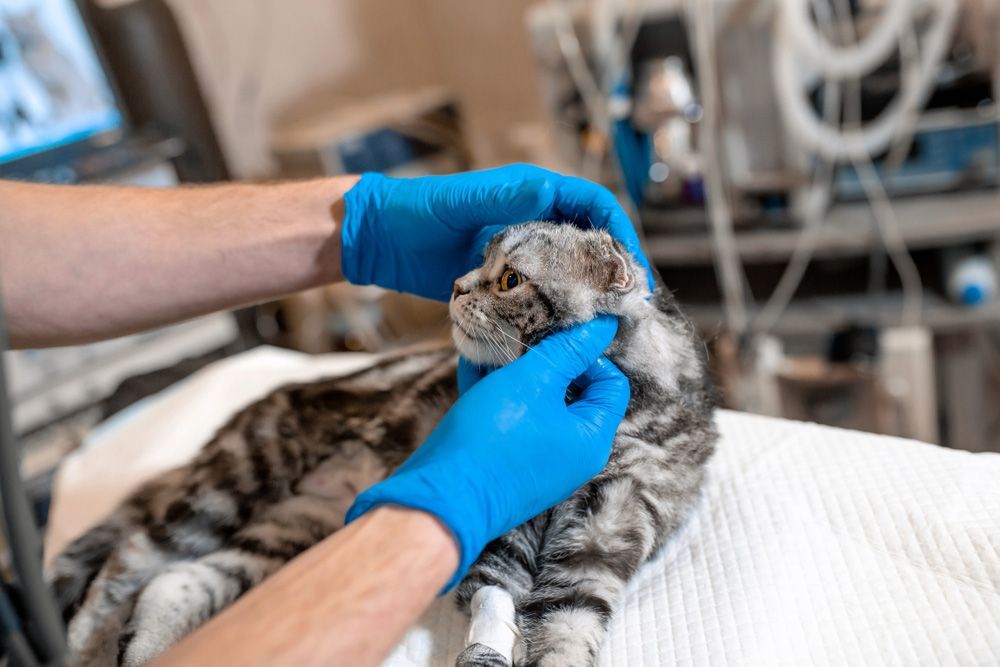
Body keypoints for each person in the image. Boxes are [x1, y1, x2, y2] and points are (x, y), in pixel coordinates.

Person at [0, 164, 649, 665]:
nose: (461, 287)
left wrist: (360, 222)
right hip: (324, 443)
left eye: (502, 278)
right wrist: (438, 512)